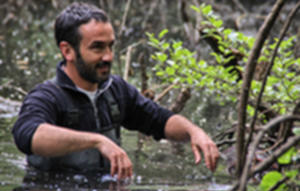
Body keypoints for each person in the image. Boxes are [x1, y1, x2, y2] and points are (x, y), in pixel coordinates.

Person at [12, 2, 219, 180]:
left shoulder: (116, 90)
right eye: (98, 48)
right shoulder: (46, 96)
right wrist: (97, 141)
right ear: (67, 51)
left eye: (110, 46)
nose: (109, 56)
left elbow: (159, 120)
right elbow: (29, 135)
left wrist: (194, 132)